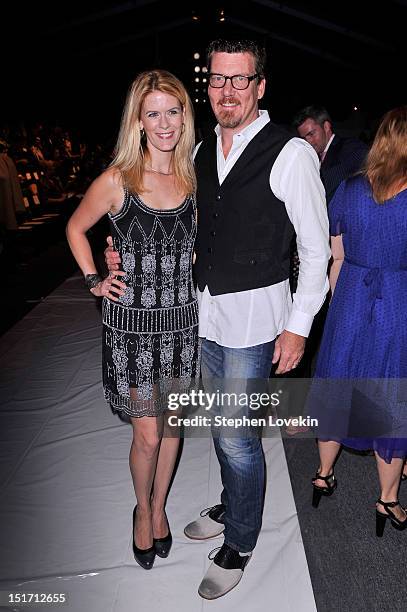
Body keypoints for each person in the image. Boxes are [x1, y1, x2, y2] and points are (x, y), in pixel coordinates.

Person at [105, 39, 330, 599]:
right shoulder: (200, 148)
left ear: (260, 86)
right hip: (202, 317)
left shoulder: (290, 153)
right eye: (218, 80)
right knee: (223, 431)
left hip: (255, 323)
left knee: (235, 438)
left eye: (240, 80)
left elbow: (317, 248)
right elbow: (182, 221)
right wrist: (118, 251)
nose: (227, 90)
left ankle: (243, 537)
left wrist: (299, 325)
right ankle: (234, 504)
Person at [66, 69, 200, 571]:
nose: (164, 123)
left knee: (173, 429)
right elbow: (76, 228)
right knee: (148, 433)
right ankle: (142, 510)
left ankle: (161, 506)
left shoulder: (193, 178)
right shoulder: (117, 180)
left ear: (183, 116)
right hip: (135, 334)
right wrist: (95, 280)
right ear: (138, 122)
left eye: (172, 111)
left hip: (182, 328)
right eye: (153, 113)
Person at [309, 106, 407, 537]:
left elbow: (336, 254)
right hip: (399, 304)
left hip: (350, 299)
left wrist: (338, 303)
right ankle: (386, 499)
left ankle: (323, 473)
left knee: (336, 386)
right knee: (392, 397)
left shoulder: (349, 189)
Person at [293, 104, 368, 204]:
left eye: (311, 134)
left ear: (326, 127)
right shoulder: (312, 158)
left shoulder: (349, 148)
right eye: (304, 138)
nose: (308, 141)